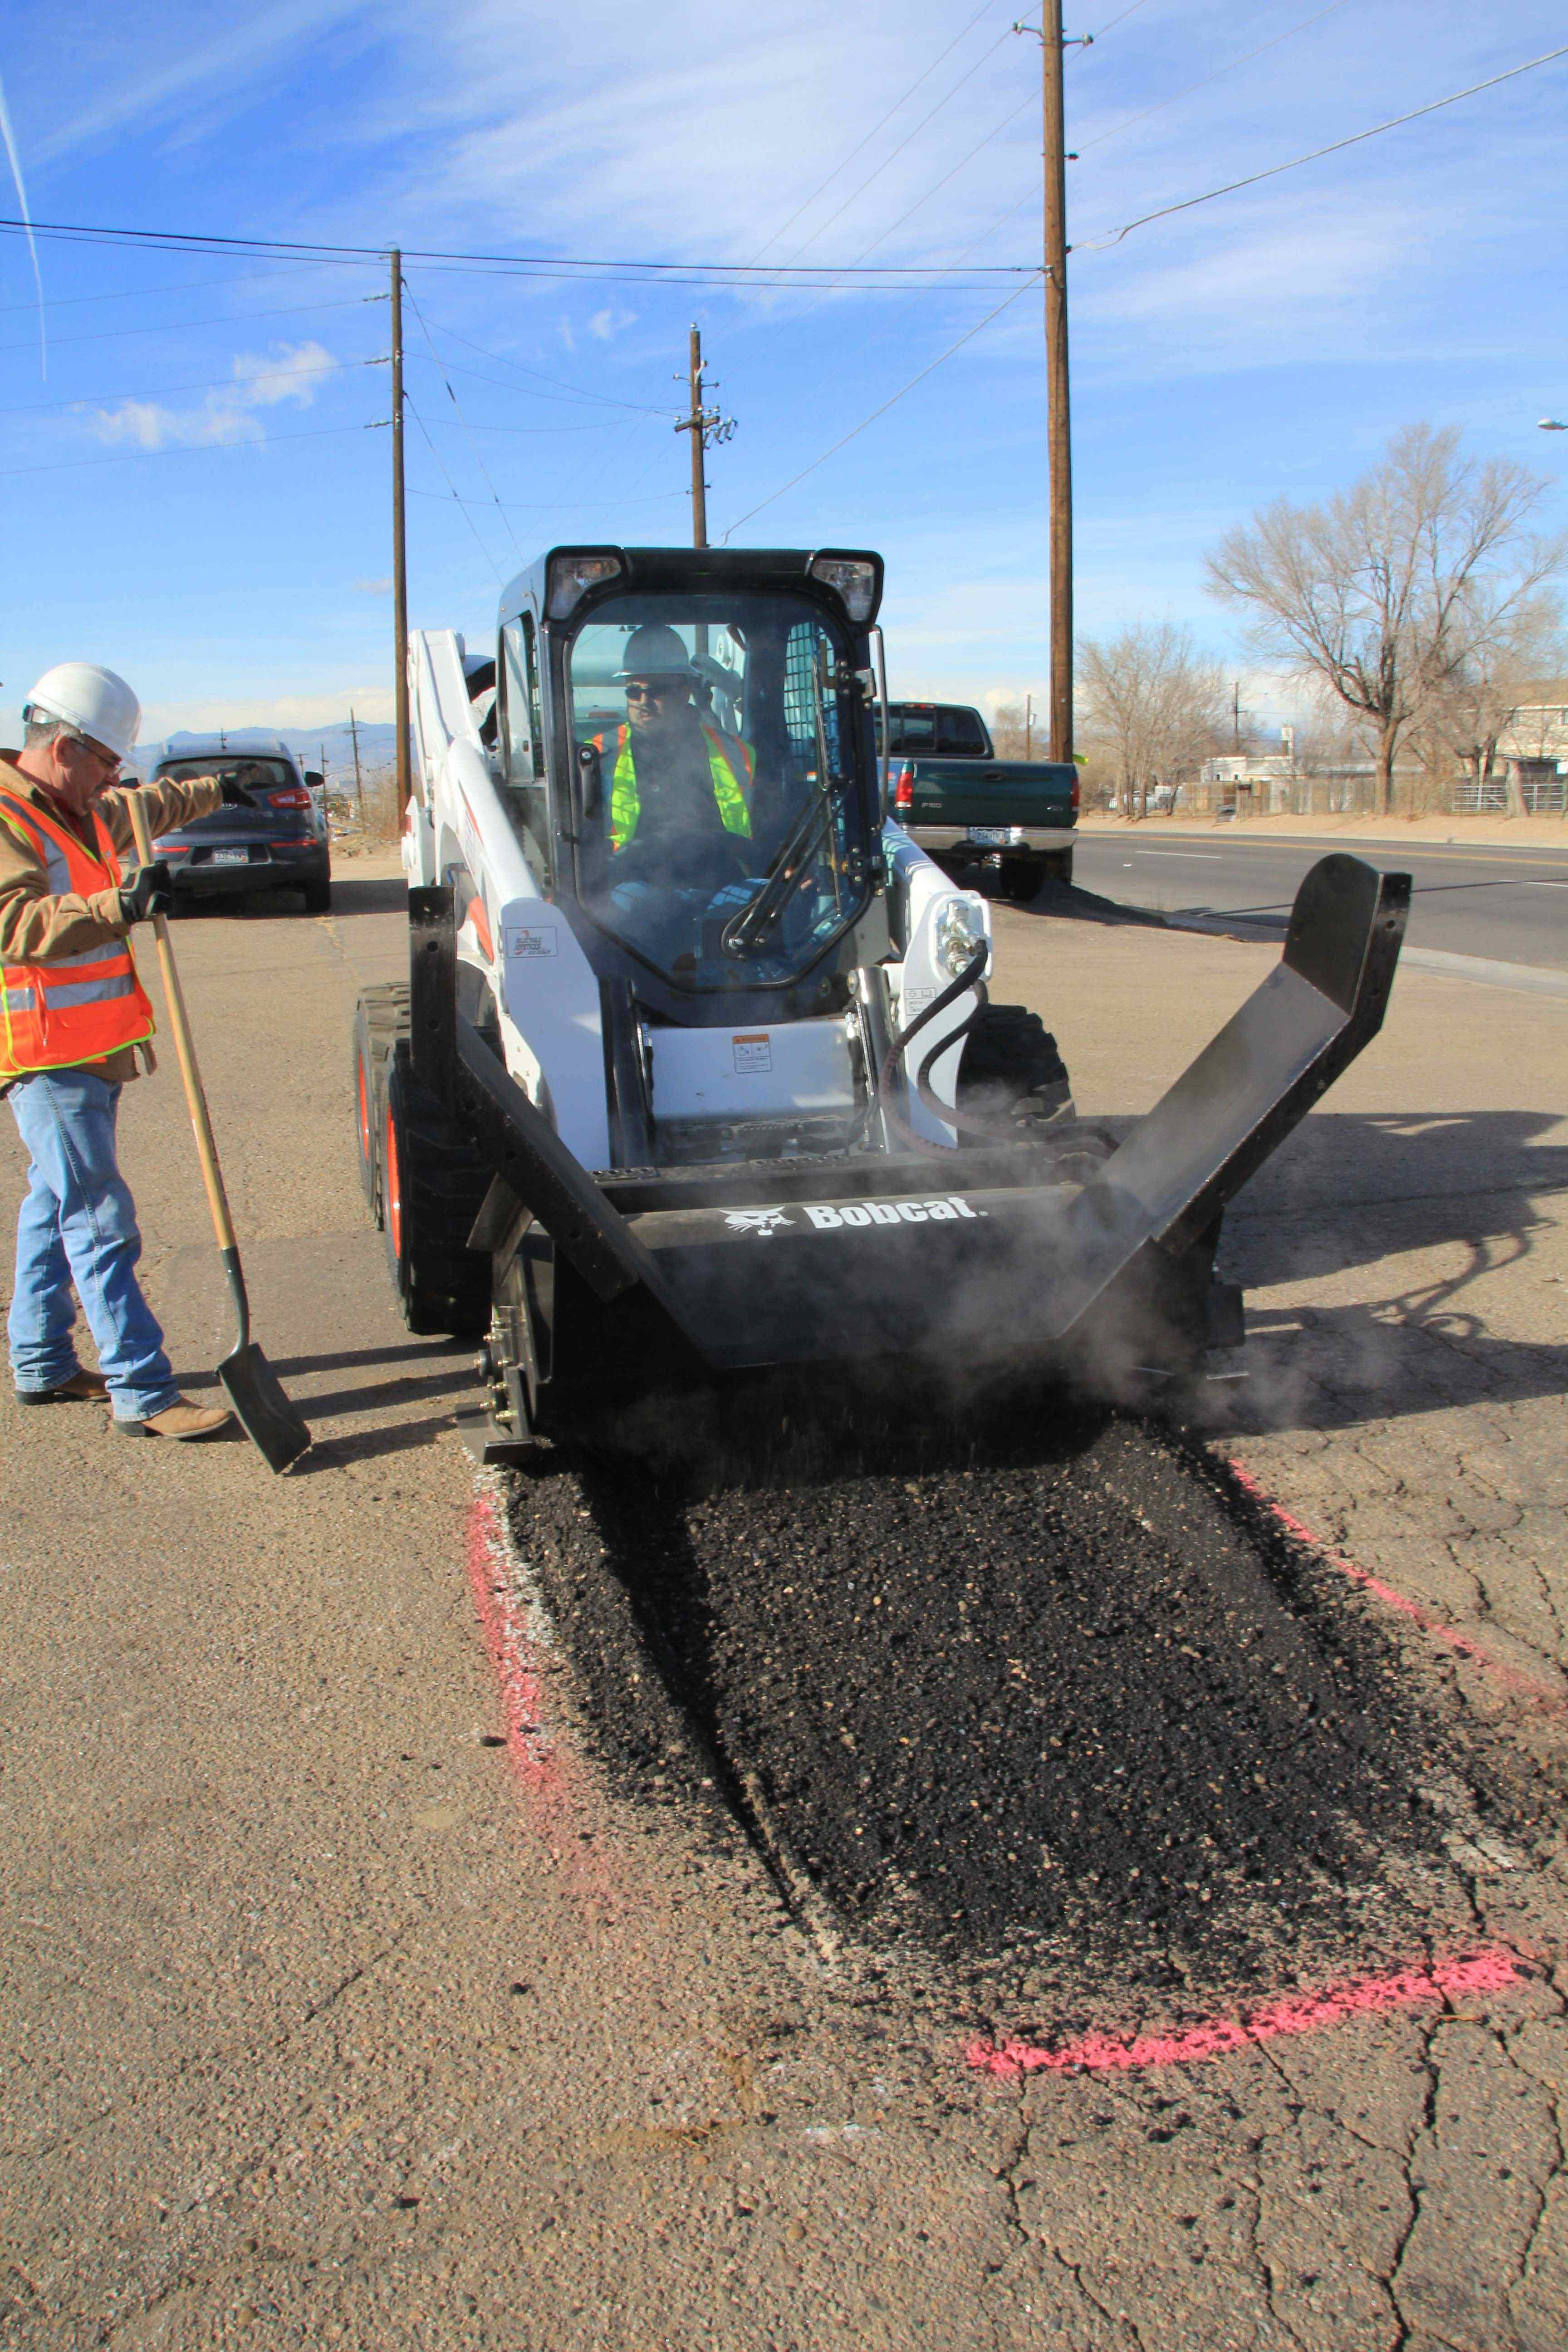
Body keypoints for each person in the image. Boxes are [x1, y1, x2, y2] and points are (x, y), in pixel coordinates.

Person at [0, 663, 245, 1440]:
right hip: (42, 1054)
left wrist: (221, 788)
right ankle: (142, 1389)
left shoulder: (88, 808)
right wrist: (121, 904)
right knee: (99, 1215)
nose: (115, 778)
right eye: (106, 761)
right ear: (67, 747)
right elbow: (16, 925)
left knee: (55, 1204)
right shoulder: (8, 816)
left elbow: (155, 803)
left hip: (93, 1049)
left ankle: (40, 1360)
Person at [590, 624, 755, 889]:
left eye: (655, 691)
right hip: (626, 894)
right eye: (634, 691)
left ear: (685, 691)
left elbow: (769, 828)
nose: (643, 701)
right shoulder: (596, 757)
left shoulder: (737, 754)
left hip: (721, 886)